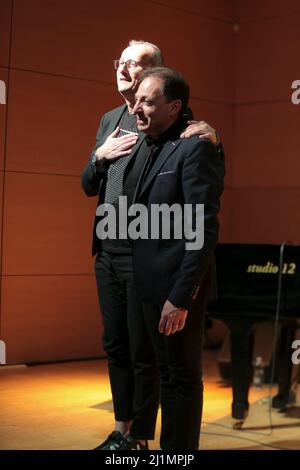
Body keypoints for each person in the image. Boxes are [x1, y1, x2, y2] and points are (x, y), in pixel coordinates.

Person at [81, 40, 221, 450]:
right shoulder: (115, 120)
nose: (125, 69)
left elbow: (200, 210)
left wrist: (214, 137)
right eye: (120, 62)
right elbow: (91, 184)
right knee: (121, 346)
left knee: (170, 370)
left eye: (135, 65)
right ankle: (130, 433)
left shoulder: (182, 132)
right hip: (117, 251)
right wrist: (98, 158)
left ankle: (151, 442)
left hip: (156, 263)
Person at [129, 67, 225, 450]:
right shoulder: (149, 142)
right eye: (137, 100)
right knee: (163, 375)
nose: (136, 108)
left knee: (181, 380)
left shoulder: (196, 144)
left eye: (146, 101)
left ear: (175, 107)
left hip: (176, 289)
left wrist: (181, 297)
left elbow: (203, 228)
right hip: (148, 284)